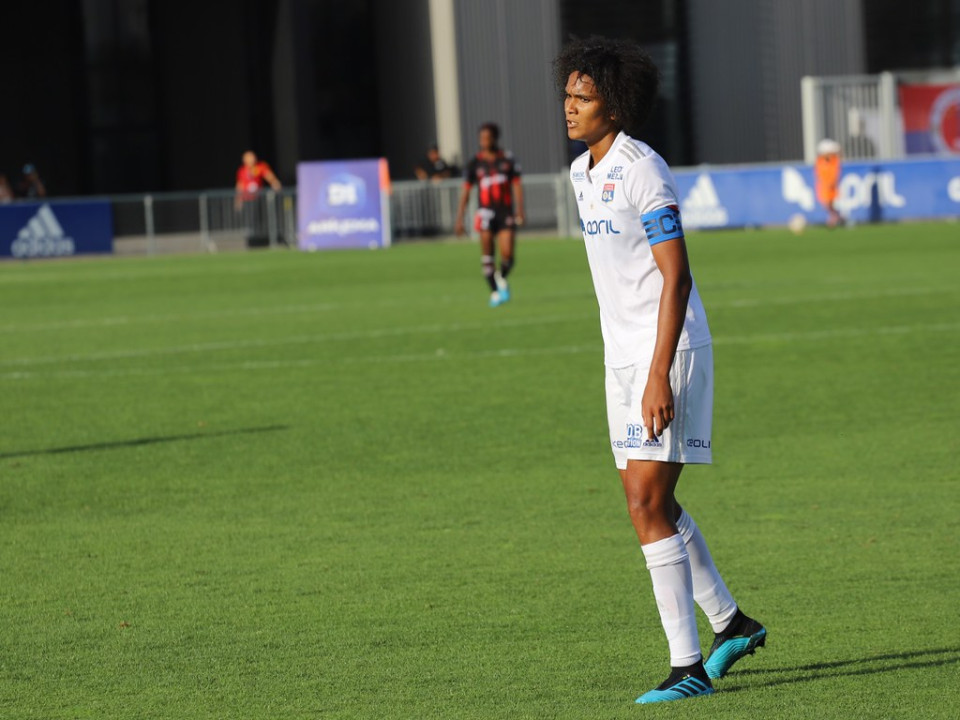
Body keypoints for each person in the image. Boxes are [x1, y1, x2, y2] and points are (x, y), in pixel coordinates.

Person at [554, 36, 766, 704]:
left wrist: (656, 373)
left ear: (612, 105)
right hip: (620, 359)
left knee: (646, 503)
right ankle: (733, 623)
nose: (570, 107)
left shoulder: (643, 170)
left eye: (583, 98)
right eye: (568, 94)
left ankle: (689, 667)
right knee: (651, 502)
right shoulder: (578, 173)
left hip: (665, 354)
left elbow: (676, 279)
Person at [454, 123, 525, 307]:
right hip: (485, 213)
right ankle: (494, 291)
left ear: (494, 138)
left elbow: (517, 185)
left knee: (508, 256)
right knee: (487, 255)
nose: (484, 141)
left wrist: (520, 210)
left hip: (505, 212)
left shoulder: (507, 159)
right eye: (481, 138)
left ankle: (500, 277)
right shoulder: (474, 163)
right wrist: (459, 218)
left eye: (487, 137)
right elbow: (466, 192)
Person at [815, 138, 843, 227]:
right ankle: (837, 217)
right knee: (826, 204)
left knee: (830, 203)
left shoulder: (834, 161)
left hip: (831, 186)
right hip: (823, 186)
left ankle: (834, 218)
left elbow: (835, 173)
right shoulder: (820, 161)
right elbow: (819, 173)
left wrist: (832, 182)